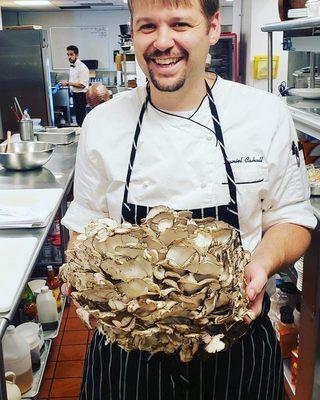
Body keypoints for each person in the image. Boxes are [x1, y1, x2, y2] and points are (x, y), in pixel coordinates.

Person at [61, 0, 317, 399]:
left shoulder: (263, 115)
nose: (163, 42)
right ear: (133, 31)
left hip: (235, 340)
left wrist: (261, 264)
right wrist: (87, 276)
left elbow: (292, 219)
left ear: (212, 27)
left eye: (180, 24)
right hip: (127, 352)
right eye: (148, 27)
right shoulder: (102, 123)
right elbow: (84, 227)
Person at [59, 45, 89, 127]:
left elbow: (82, 84)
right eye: (68, 55)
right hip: (75, 95)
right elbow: (74, 81)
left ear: (77, 55)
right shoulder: (72, 66)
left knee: (81, 119)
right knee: (78, 118)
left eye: (71, 54)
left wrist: (68, 83)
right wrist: (66, 84)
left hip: (81, 96)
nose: (69, 57)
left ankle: (84, 136)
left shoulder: (82, 67)